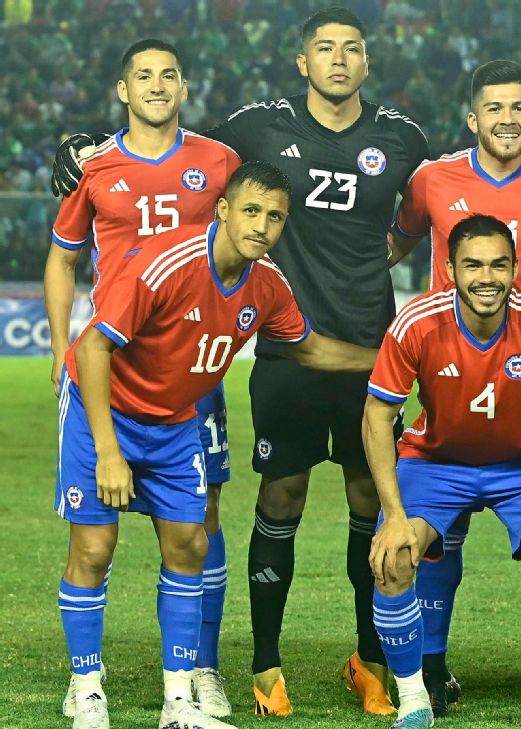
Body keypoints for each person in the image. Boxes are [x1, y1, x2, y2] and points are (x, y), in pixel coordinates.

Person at [52, 9, 431, 715]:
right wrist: (83, 149)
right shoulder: (236, 159)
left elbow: (415, 226)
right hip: (192, 383)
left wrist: (401, 352)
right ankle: (183, 673)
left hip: (267, 388)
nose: (339, 59)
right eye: (325, 47)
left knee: (314, 514)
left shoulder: (399, 144)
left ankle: (327, 664)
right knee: (231, 512)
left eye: (353, 48)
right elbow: (161, 135)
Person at [56, 161, 379, 729]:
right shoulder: (165, 265)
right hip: (102, 413)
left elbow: (311, 350)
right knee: (94, 550)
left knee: (190, 546)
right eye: (251, 210)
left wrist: (395, 360)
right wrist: (108, 451)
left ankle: (177, 703)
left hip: (177, 422)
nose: (262, 225)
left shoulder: (266, 284)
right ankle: (86, 690)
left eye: (275, 216)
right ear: (223, 209)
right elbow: (91, 351)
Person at [388, 59, 521, 712]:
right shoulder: (430, 180)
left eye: (519, 108)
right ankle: (430, 671)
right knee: (436, 541)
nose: (507, 119)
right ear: (471, 117)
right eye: (495, 108)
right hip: (450, 372)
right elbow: (389, 247)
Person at [44, 37, 243, 718]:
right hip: (111, 370)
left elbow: (249, 232)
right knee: (95, 542)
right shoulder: (95, 167)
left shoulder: (218, 162)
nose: (156, 85)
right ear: (123, 91)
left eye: (168, 75)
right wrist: (54, 346)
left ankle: (194, 678)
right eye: (142, 76)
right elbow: (62, 259)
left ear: (184, 87)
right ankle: (86, 681)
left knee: (196, 527)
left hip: (191, 376)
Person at [362, 213, 521, 729]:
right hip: (436, 463)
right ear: (449, 270)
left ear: (516, 268)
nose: (485, 277)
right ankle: (413, 700)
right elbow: (377, 418)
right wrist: (395, 515)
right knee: (392, 555)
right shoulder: (416, 323)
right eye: (472, 265)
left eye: (498, 265)